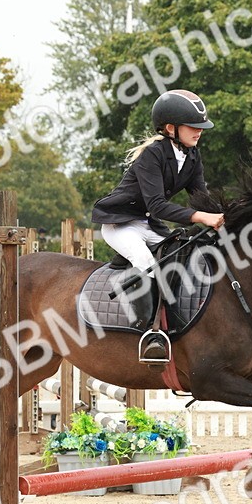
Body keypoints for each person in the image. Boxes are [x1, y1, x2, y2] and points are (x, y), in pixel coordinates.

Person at [91, 89, 225, 362]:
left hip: (149, 224)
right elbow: (158, 206)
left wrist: (226, 217)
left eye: (201, 127)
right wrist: (201, 217)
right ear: (170, 128)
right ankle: (149, 334)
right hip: (121, 223)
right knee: (147, 264)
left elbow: (202, 198)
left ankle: (180, 321)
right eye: (193, 127)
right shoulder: (152, 155)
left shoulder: (192, 155)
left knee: (184, 252)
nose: (199, 132)